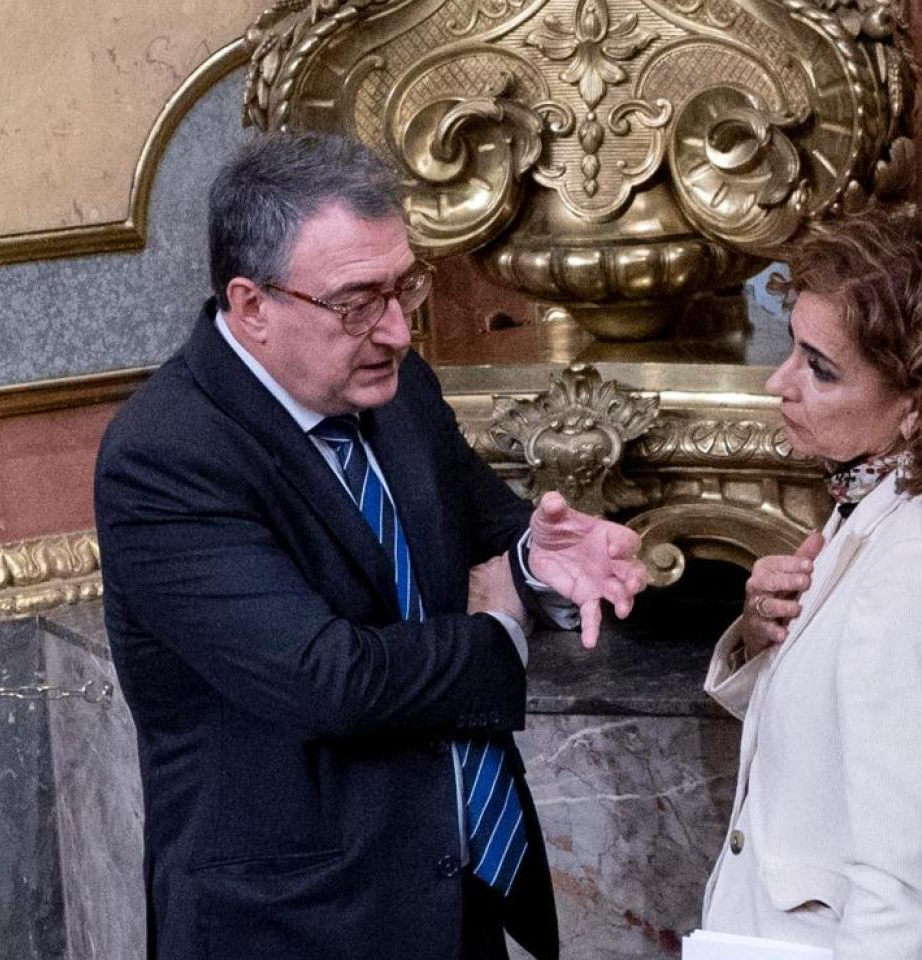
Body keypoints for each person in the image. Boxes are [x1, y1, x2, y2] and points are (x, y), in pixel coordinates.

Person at [94, 131, 647, 960]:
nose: (395, 329)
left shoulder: (396, 386)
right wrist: (495, 635)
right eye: (358, 303)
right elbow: (329, 680)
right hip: (296, 925)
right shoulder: (166, 456)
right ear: (252, 306)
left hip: (453, 892)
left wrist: (540, 560)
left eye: (405, 287)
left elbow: (489, 528)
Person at [698, 205, 922, 959]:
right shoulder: (896, 508)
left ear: (919, 402)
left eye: (819, 368)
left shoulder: (918, 572)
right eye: (792, 351)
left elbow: (900, 896)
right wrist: (765, 634)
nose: (778, 383)